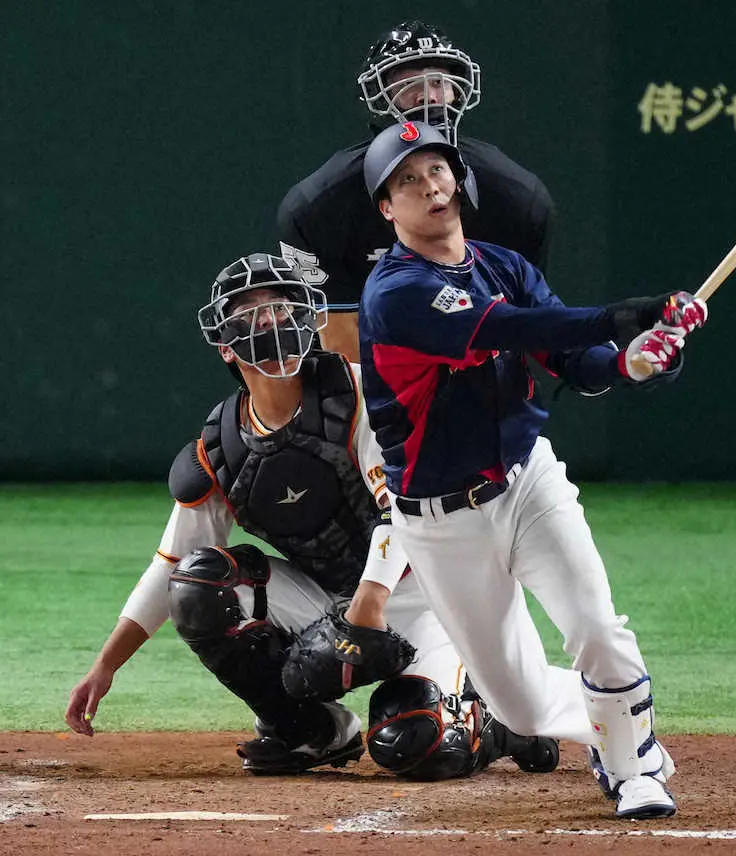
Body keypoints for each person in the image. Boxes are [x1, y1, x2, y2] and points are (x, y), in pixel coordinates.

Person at [65, 252, 558, 781]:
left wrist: (368, 604)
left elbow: (404, 512)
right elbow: (169, 567)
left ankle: (504, 720)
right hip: (332, 598)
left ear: (306, 317)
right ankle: (310, 730)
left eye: (281, 306)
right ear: (226, 343)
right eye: (253, 311)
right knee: (199, 585)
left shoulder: (369, 393)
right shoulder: (223, 447)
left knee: (416, 743)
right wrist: (105, 665)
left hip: (434, 596)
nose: (271, 320)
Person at [357, 122, 709, 819]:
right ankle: (617, 725)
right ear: (387, 208)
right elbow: (505, 329)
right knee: (517, 704)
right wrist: (625, 315)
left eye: (437, 169)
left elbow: (573, 361)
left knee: (597, 626)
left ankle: (633, 767)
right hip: (441, 521)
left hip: (528, 482)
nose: (429, 186)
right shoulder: (394, 293)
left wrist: (634, 360)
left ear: (459, 180)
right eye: (407, 180)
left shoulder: (506, 266)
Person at [277, 19, 555, 363]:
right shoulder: (320, 207)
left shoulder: (517, 200)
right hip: (370, 381)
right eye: (408, 83)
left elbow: (526, 328)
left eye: (439, 81)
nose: (428, 95)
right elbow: (341, 345)